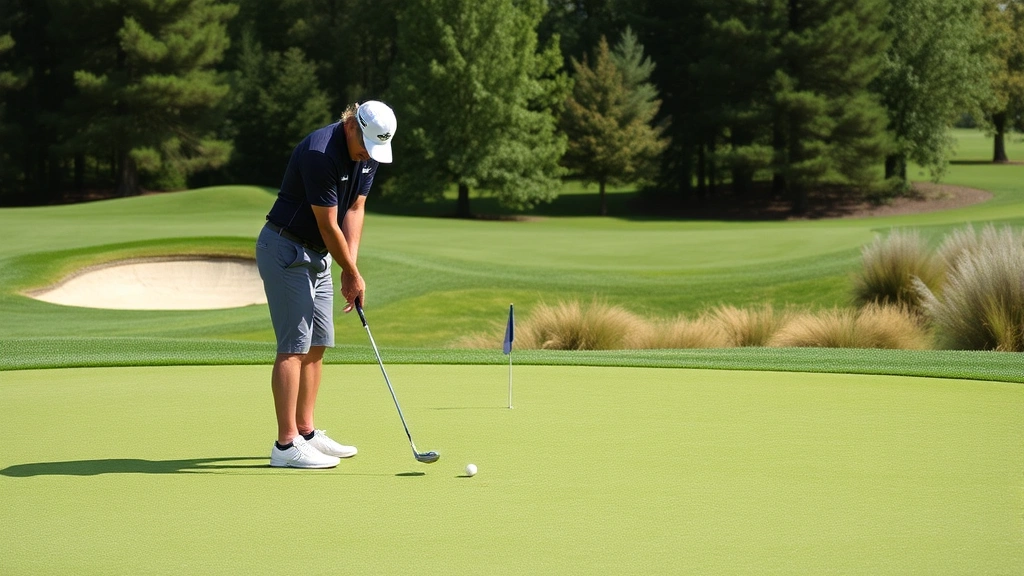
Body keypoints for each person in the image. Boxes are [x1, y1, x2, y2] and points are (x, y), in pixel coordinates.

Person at [255, 100, 397, 468]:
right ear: (352, 125)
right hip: (285, 248)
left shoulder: (369, 153)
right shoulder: (321, 153)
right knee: (293, 346)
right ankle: (285, 447)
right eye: (366, 145)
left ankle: (306, 432)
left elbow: (355, 208)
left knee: (318, 343)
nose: (369, 155)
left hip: (317, 255)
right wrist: (350, 272)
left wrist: (350, 265)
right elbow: (327, 223)